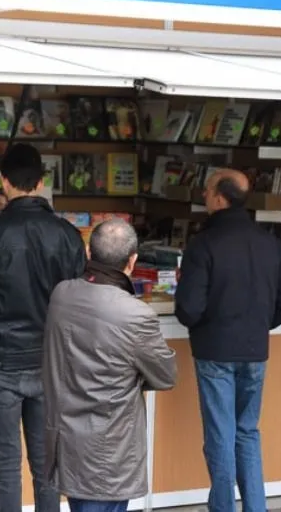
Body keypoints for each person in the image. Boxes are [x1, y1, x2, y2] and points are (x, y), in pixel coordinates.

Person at [0, 143, 86, 512]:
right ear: (41, 182)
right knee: (46, 465)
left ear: (4, 182)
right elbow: (78, 305)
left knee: (5, 465)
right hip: (50, 363)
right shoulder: (68, 235)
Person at [175, 169, 281, 512]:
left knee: (221, 435)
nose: (204, 194)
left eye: (207, 189)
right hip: (254, 351)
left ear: (220, 197)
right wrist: (257, 324)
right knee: (247, 432)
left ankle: (223, 508)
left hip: (215, 351)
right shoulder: (270, 243)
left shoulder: (204, 244)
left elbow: (188, 309)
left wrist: (211, 324)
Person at [43, 219, 177, 512]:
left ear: (89, 253)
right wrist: (133, 376)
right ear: (132, 261)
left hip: (67, 439)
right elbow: (165, 376)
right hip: (110, 447)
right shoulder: (136, 314)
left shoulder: (61, 295)